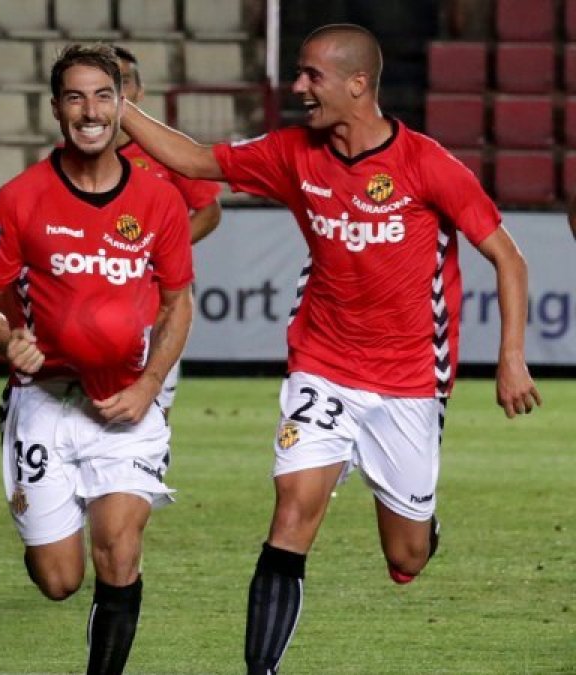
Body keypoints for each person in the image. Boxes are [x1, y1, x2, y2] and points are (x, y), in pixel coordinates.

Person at [120, 23, 541, 674]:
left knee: (406, 558)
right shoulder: (292, 152)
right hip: (323, 363)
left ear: (357, 85)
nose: (297, 88)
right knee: (291, 510)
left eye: (312, 76)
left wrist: (511, 355)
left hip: (408, 379)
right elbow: (198, 161)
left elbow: (506, 257)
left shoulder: (426, 163)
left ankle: (422, 529)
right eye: (298, 73)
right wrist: (119, 107)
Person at [0, 44, 195, 674]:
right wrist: (3, 337)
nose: (90, 111)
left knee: (119, 551)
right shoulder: (20, 198)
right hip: (45, 402)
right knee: (60, 580)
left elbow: (178, 306)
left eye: (103, 96)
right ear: (56, 109)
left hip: (126, 405)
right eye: (75, 97)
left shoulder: (159, 200)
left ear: (124, 105)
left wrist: (151, 385)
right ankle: (41, 534)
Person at [112, 44, 222, 413]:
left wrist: (159, 250)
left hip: (158, 298)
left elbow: (208, 211)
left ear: (139, 92)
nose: (115, 90)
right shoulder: (70, 154)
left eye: (123, 81)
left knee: (154, 405)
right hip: (97, 294)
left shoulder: (164, 150)